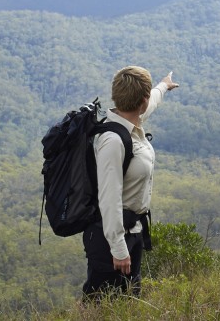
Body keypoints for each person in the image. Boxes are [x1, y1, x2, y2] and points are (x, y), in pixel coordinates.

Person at [82, 66, 179, 300]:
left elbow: (151, 103)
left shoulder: (131, 121)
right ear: (141, 102)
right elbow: (109, 199)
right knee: (102, 307)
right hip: (111, 240)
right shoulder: (113, 141)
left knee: (128, 304)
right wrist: (118, 249)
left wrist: (163, 86)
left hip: (132, 231)